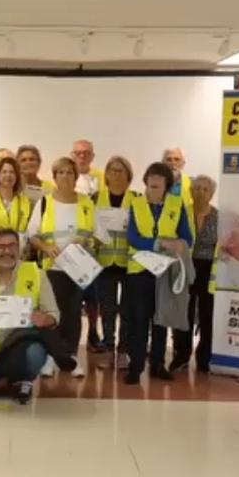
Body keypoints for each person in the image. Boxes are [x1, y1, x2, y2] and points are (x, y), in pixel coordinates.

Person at [0, 229, 68, 404]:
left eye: (12, 245)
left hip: (20, 347)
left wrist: (46, 319)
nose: (7, 251)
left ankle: (23, 378)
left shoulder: (37, 274)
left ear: (19, 248)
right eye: (1, 246)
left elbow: (54, 314)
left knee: (35, 354)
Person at [123, 162, 192, 385]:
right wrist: (159, 244)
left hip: (165, 270)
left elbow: (187, 237)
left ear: (166, 185)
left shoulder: (176, 204)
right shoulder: (136, 203)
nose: (153, 184)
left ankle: (158, 365)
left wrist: (179, 244)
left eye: (158, 180)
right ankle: (135, 367)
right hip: (139, 270)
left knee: (161, 319)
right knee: (139, 320)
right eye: (150, 179)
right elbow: (133, 238)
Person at [27, 157, 96, 378]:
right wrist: (46, 248)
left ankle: (71, 356)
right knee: (52, 312)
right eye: (61, 172)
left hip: (78, 267)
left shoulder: (86, 202)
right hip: (52, 267)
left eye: (69, 172)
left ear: (76, 176)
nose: (65, 176)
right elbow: (32, 235)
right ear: (54, 176)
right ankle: (51, 356)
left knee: (73, 313)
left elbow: (94, 233)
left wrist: (85, 241)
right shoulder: (44, 203)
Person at [170, 174, 218, 373]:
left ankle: (204, 357)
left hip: (209, 269)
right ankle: (181, 355)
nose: (200, 193)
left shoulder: (218, 217)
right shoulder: (182, 212)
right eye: (196, 188)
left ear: (212, 194)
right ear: (190, 191)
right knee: (183, 312)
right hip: (185, 266)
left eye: (205, 189)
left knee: (208, 314)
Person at [92, 156, 136, 371]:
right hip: (104, 262)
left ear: (128, 176)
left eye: (121, 171)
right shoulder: (95, 198)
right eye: (112, 170)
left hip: (129, 263)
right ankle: (109, 349)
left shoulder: (137, 200)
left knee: (127, 310)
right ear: (106, 175)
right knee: (107, 309)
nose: (116, 175)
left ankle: (124, 350)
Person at [72, 140, 106, 348]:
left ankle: (93, 333)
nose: (82, 156)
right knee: (72, 297)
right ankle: (70, 338)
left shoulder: (101, 178)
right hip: (70, 246)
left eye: (86, 153)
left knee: (93, 295)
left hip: (92, 245)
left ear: (92, 156)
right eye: (78, 153)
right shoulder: (65, 176)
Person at [162, 147, 195, 235]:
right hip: (162, 235)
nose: (173, 163)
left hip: (186, 235)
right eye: (169, 159)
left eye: (177, 159)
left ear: (183, 163)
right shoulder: (154, 184)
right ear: (163, 163)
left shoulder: (193, 184)